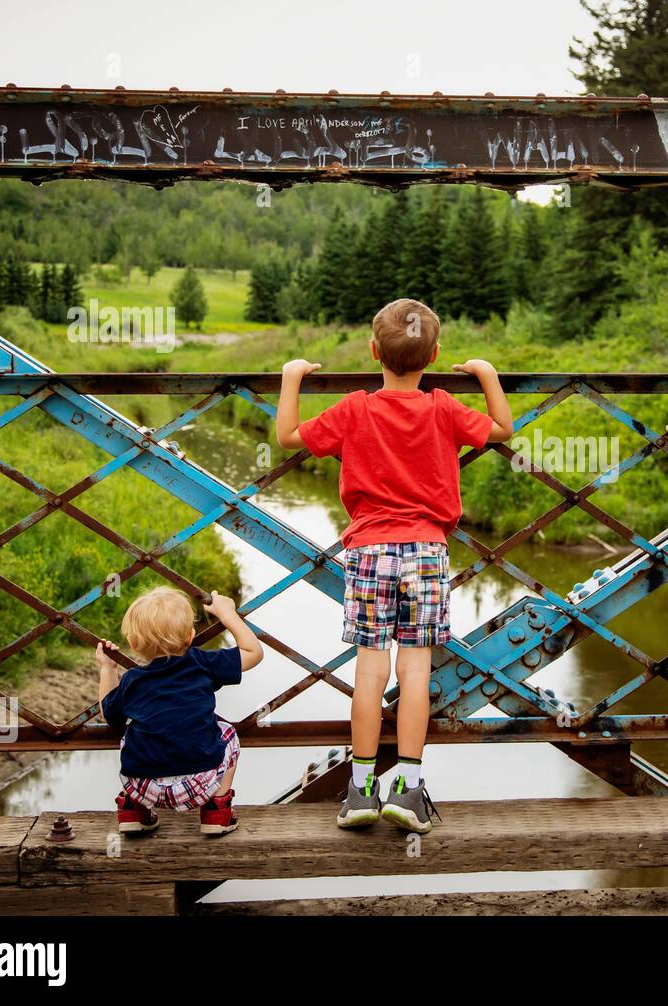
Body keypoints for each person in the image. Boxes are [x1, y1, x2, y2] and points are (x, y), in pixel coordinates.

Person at [276, 298, 513, 834]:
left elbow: (289, 437)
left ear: (372, 351)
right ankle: (406, 788)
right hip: (426, 551)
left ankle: (359, 788)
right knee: (415, 671)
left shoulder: (355, 409)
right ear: (434, 354)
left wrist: (291, 378)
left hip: (368, 551)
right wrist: (487, 374)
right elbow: (503, 428)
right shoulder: (445, 408)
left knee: (369, 669)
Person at [98, 586, 263, 836]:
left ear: (132, 643)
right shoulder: (201, 664)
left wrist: (107, 669)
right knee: (227, 731)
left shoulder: (132, 680)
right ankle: (217, 811)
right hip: (200, 785)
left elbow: (109, 715)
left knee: (131, 733)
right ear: (190, 636)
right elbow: (254, 653)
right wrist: (227, 613)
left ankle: (133, 809)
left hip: (144, 787)